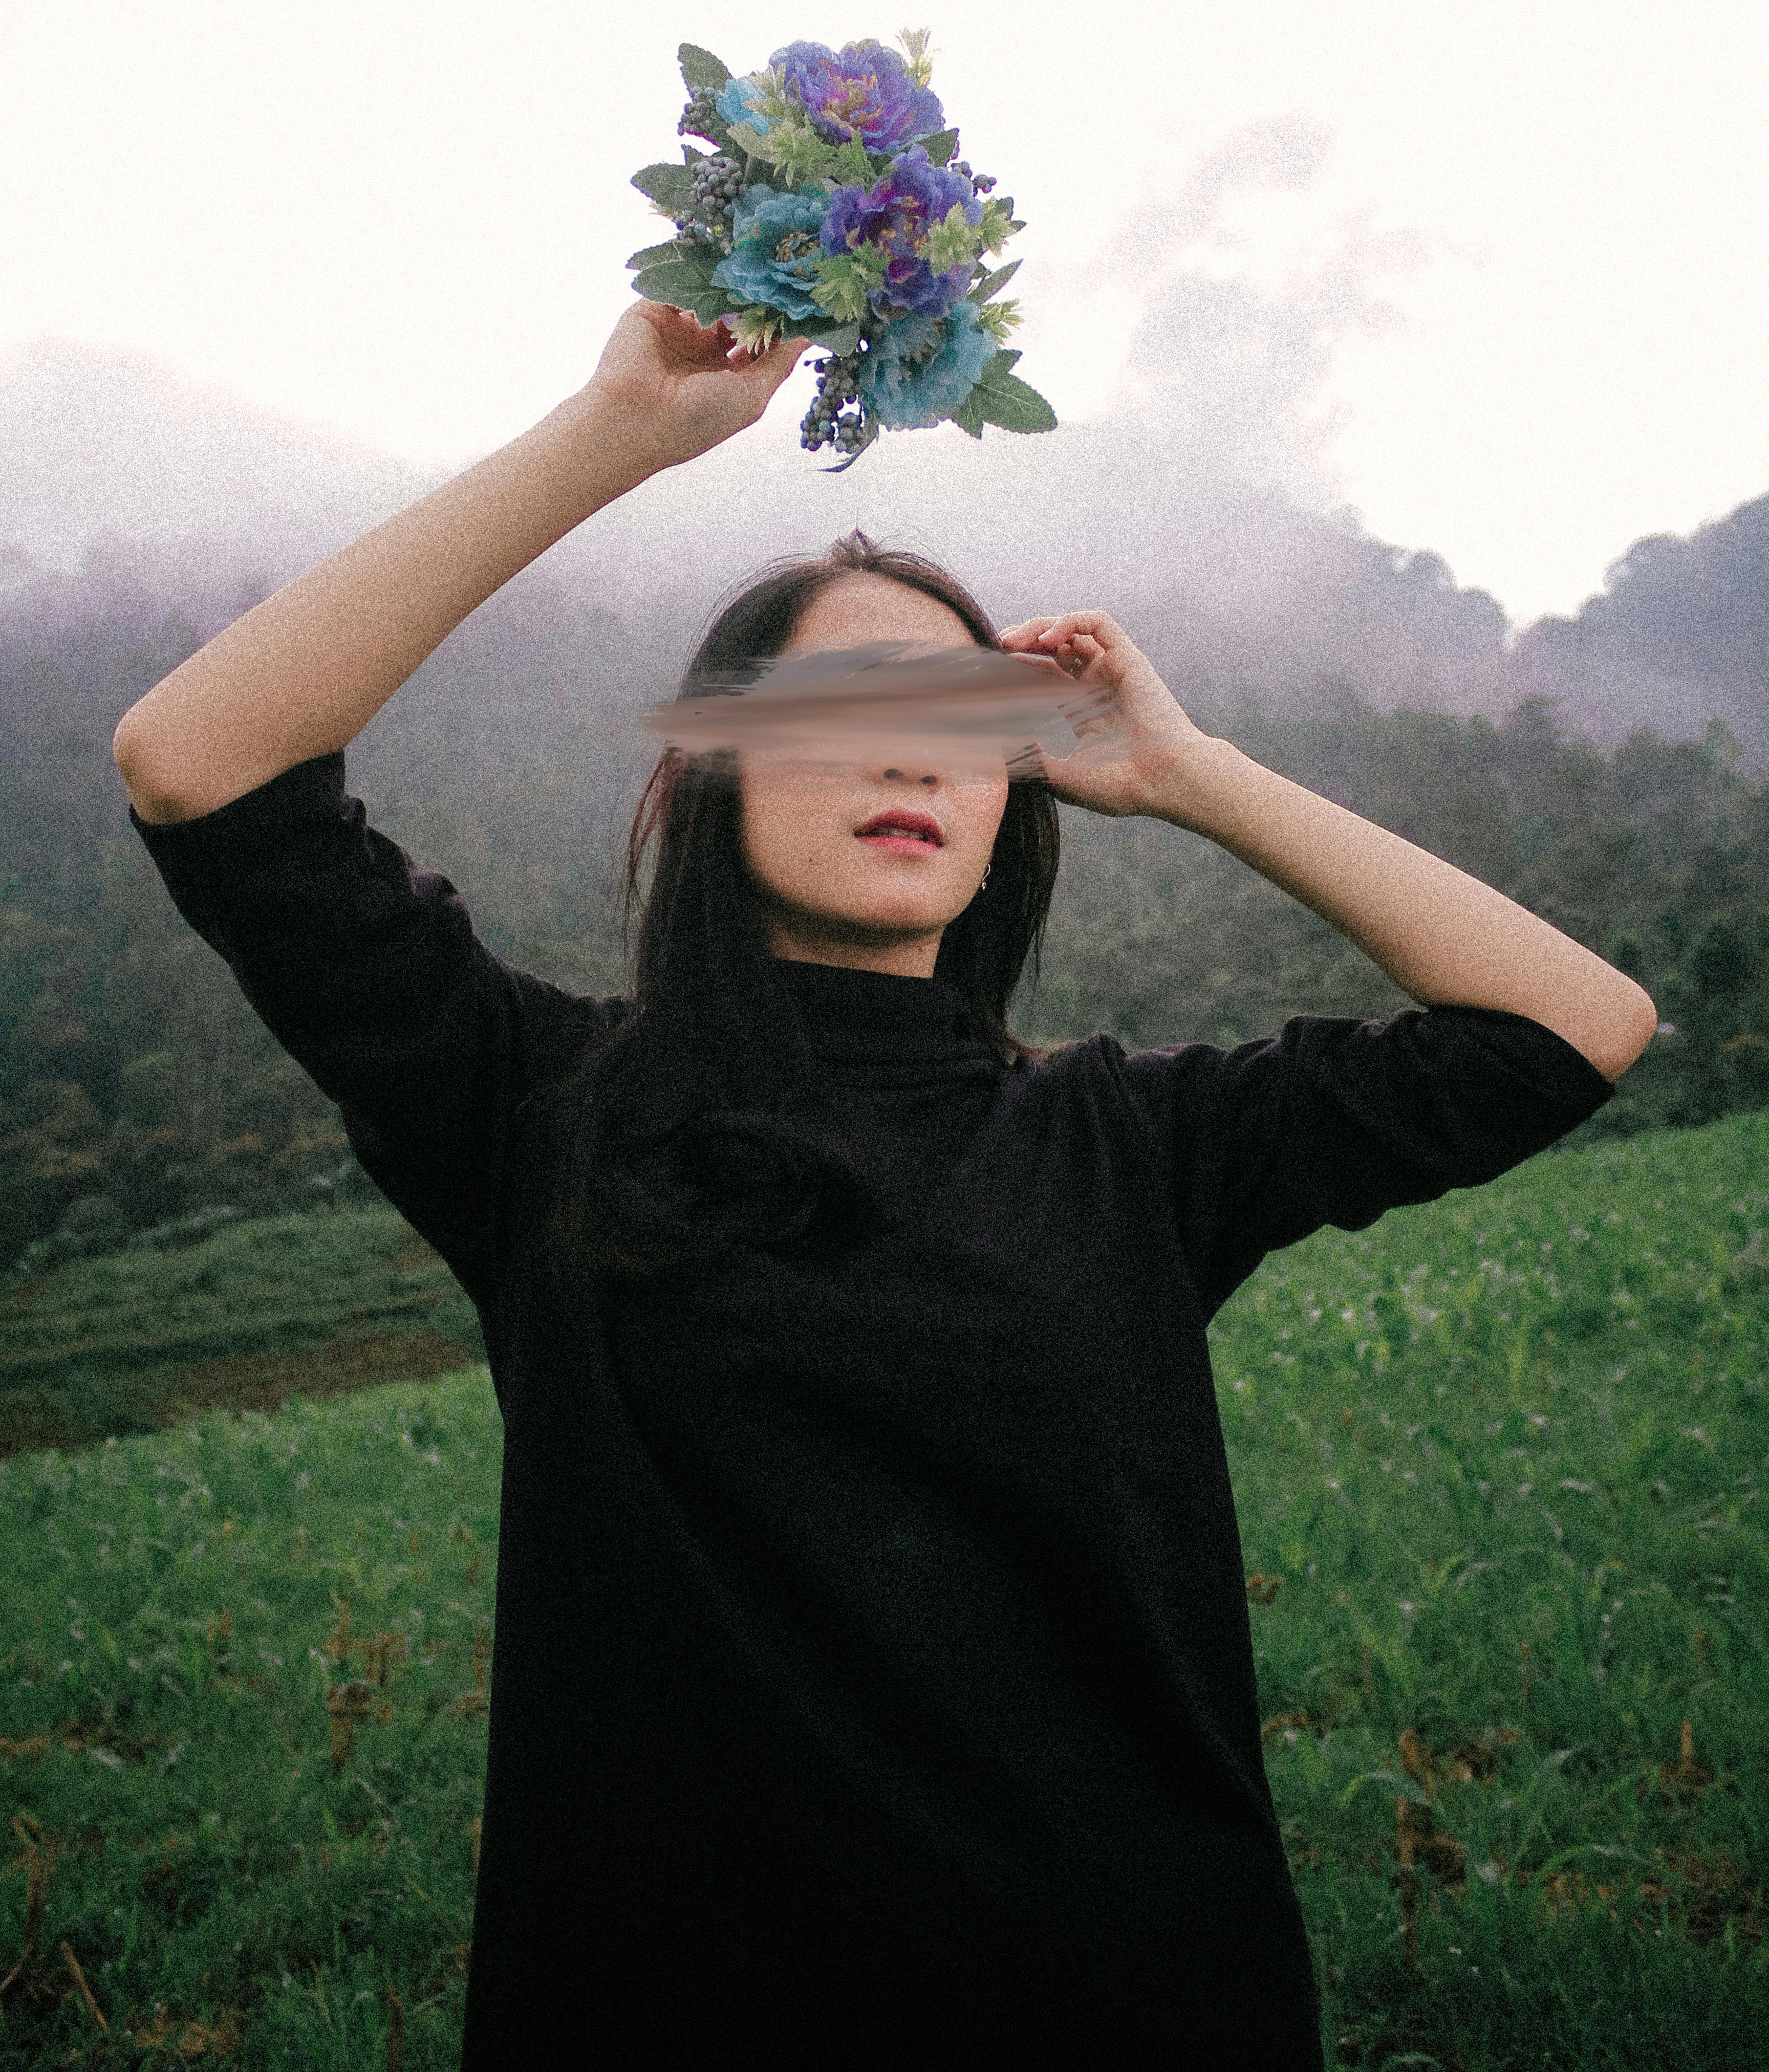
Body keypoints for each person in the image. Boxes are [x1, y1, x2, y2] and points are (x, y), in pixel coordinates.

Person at [113, 302, 1656, 2068]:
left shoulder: (1135, 1144)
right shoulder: (542, 1106)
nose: (921, 749)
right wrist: (619, 431)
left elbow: (1575, 1023)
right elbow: (200, 763)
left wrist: (1196, 775)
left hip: (1129, 2005)